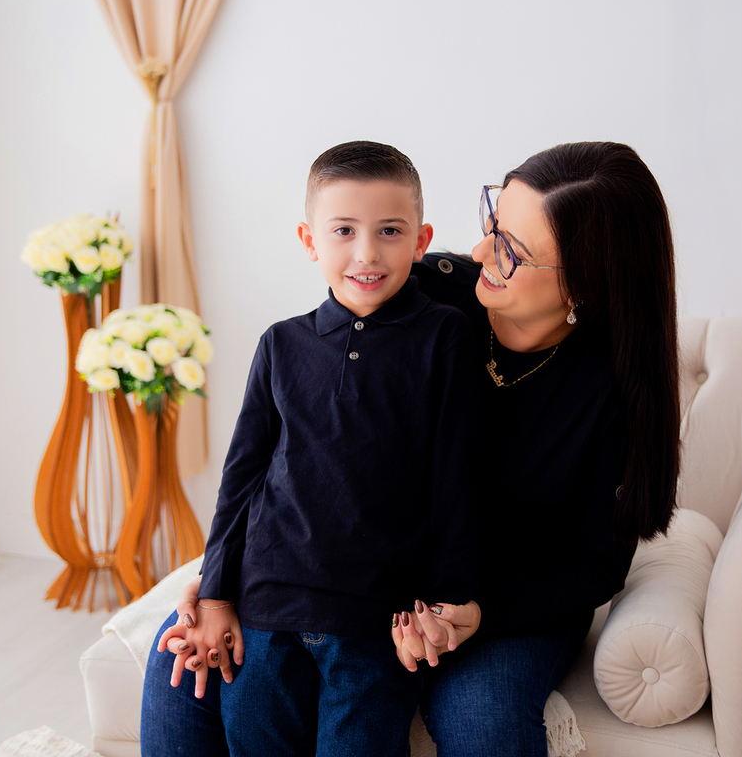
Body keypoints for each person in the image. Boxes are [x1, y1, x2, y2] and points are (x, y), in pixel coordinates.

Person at [150, 141, 682, 757]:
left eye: (512, 251)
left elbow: (594, 565)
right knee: (185, 663)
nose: (482, 252)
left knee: (483, 720)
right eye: (493, 225)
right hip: (368, 574)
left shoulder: (608, 393)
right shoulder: (412, 289)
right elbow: (297, 442)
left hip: (500, 596)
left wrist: (475, 610)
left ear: (585, 288)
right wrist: (221, 578)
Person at [140, 141, 481, 757]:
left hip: (374, 625)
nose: (367, 253)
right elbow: (241, 480)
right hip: (266, 611)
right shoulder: (281, 344)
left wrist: (440, 604)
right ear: (309, 239)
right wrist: (216, 595)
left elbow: (454, 481)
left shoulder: (444, 337)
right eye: (344, 231)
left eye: (390, 231)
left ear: (421, 239)